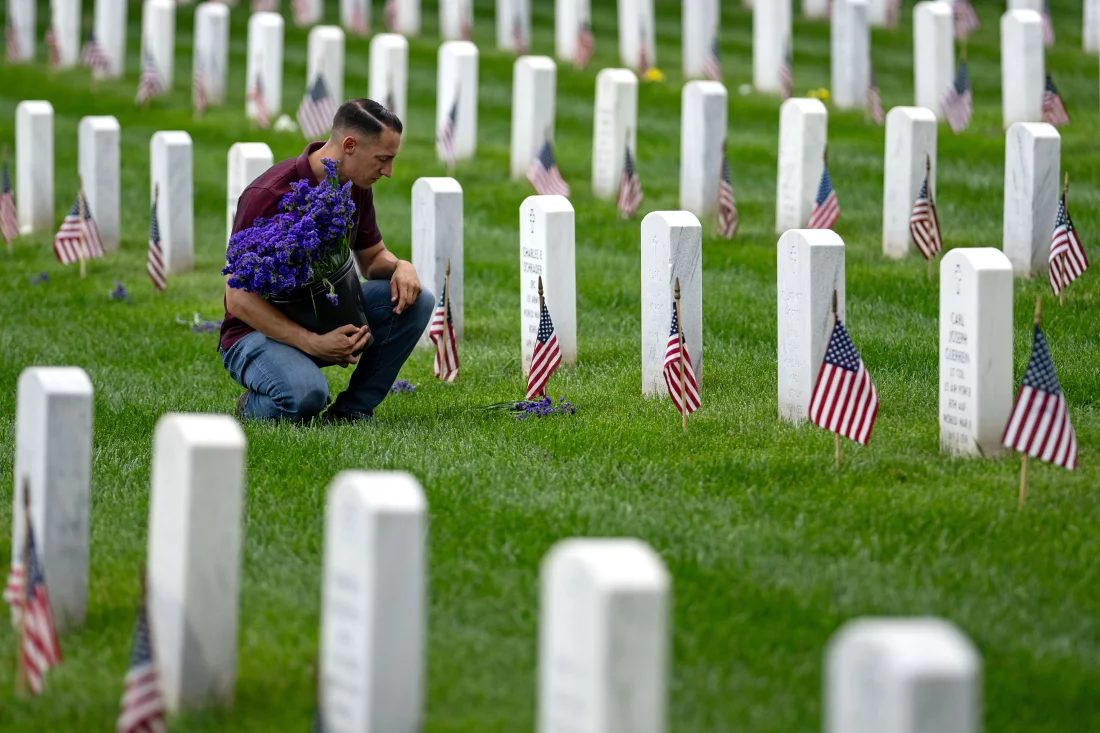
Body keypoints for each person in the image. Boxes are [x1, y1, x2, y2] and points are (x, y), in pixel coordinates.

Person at [218, 98, 433, 423]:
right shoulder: (269, 194)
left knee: (417, 302)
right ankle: (252, 404)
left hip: (324, 317)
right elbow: (237, 298)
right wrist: (313, 343)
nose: (388, 172)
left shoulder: (353, 185)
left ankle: (352, 411)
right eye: (383, 159)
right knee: (306, 397)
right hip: (255, 333)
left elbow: (372, 259)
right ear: (349, 145)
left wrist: (402, 266)